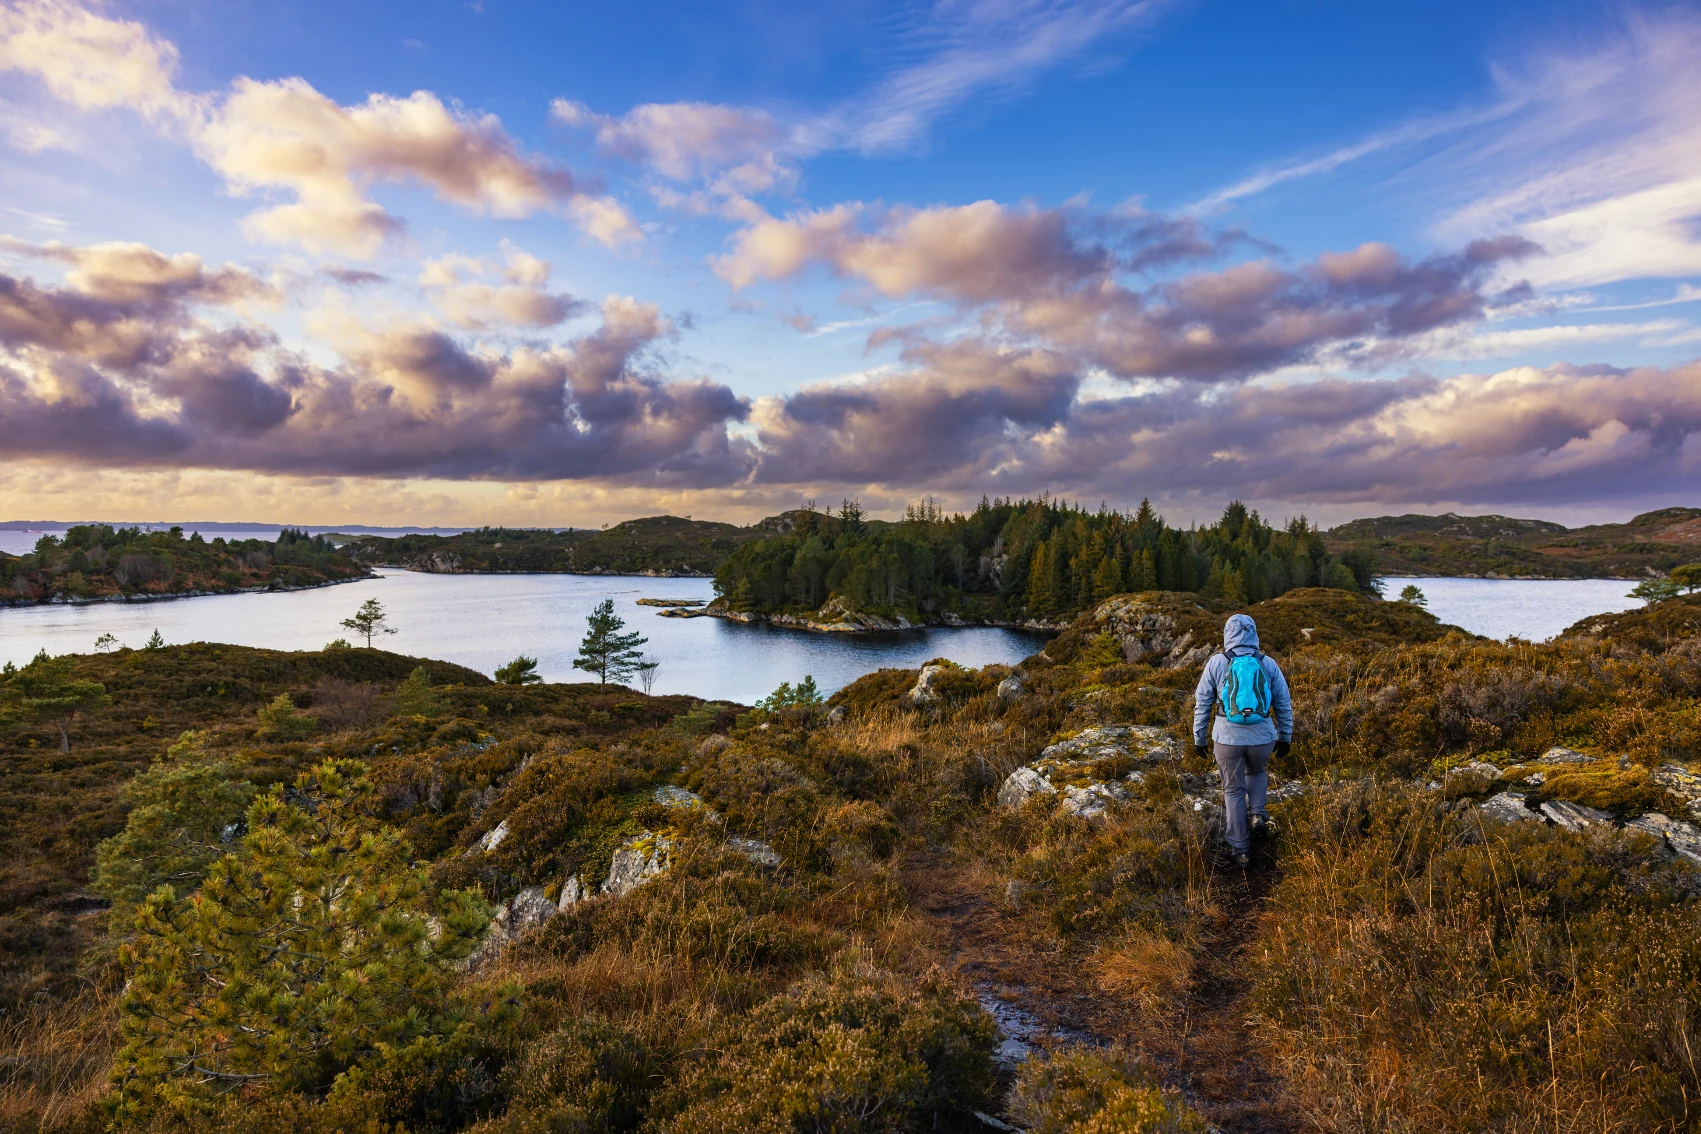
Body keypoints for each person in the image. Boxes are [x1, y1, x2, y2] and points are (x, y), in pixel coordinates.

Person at [1193, 613, 1292, 868]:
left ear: (1228, 634)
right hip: (1262, 736)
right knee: (1257, 771)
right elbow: (1282, 702)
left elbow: (1202, 703)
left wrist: (1199, 738)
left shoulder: (1217, 662)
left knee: (1234, 790)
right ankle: (1258, 814)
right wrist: (1285, 736)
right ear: (1254, 634)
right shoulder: (1267, 663)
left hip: (1227, 738)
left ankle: (1241, 851)